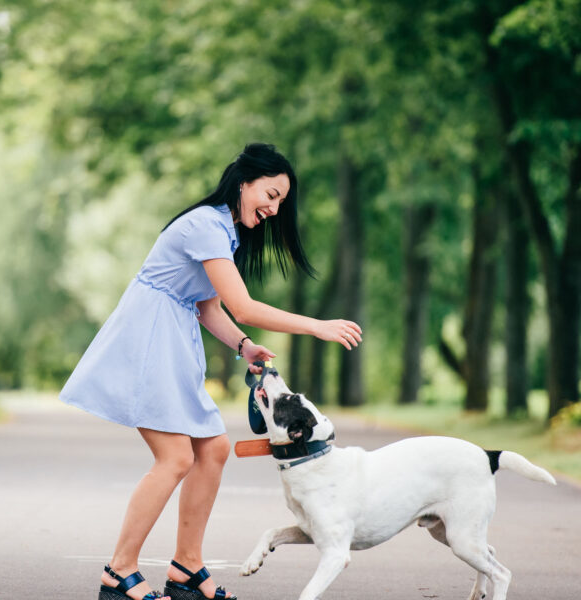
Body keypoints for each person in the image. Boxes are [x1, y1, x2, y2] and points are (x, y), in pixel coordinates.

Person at [60, 143, 363, 600]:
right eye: (271, 193)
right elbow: (243, 304)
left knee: (214, 449)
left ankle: (186, 567)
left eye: (281, 202)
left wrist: (243, 345)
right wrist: (316, 327)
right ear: (245, 182)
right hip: (148, 337)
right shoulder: (206, 224)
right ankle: (119, 572)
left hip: (172, 338)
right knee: (176, 457)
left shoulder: (224, 231)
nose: (275, 208)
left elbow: (209, 306)